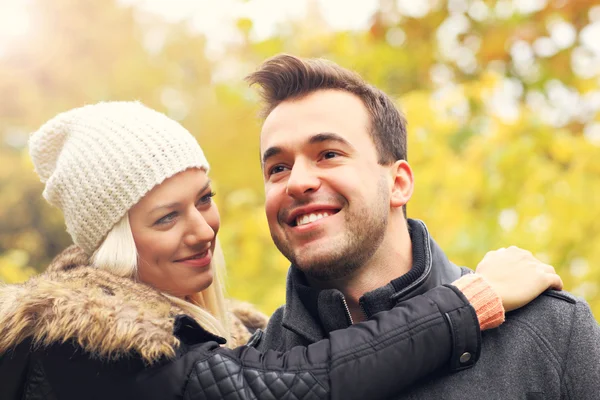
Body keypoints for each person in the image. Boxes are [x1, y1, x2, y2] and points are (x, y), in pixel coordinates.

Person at [0, 102, 559, 400]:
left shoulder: (240, 338)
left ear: (400, 181)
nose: (202, 230)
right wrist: (471, 301)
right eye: (167, 217)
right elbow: (297, 387)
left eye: (205, 199)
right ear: (117, 242)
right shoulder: (83, 346)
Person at [246, 54, 600, 399]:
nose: (296, 182)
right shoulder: (252, 376)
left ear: (398, 183)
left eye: (329, 154)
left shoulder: (552, 330)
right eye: (278, 168)